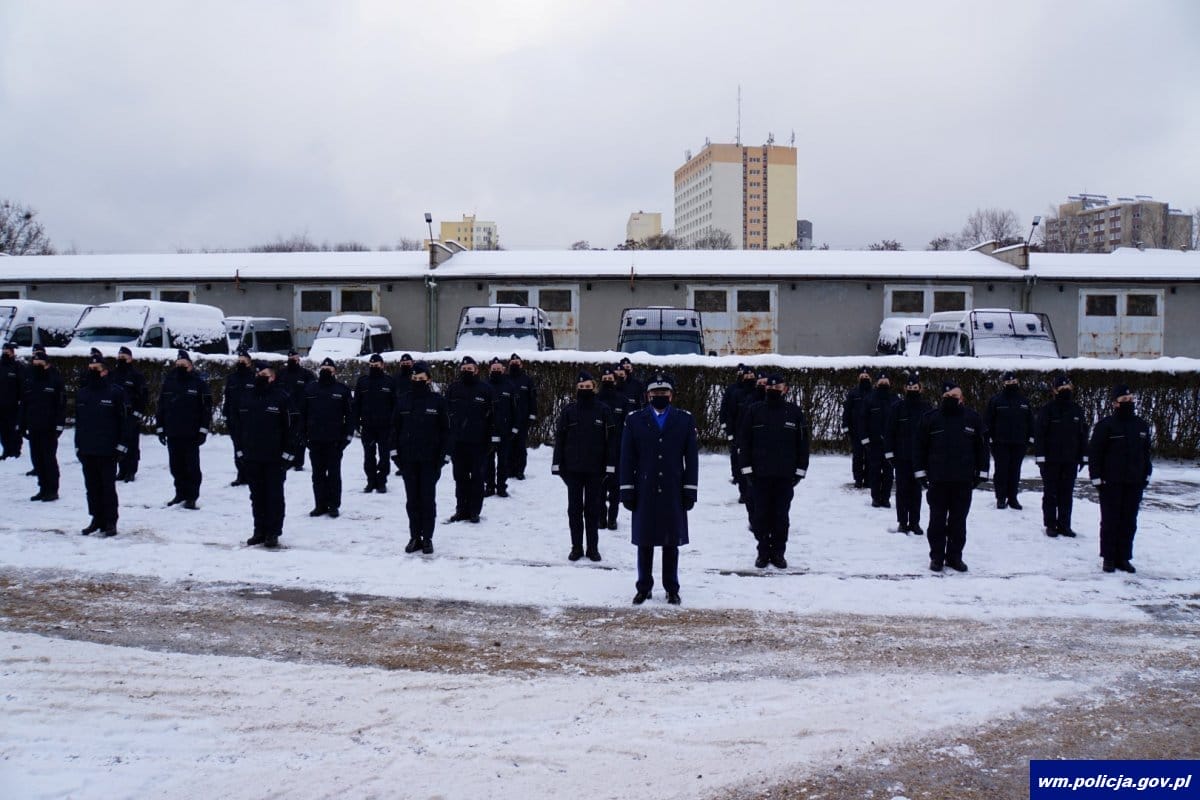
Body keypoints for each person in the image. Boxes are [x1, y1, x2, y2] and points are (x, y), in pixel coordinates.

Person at [619, 372, 698, 605]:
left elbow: (691, 459)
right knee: (644, 541)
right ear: (647, 395)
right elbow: (627, 457)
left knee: (671, 541)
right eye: (655, 393)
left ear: (671, 395)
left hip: (673, 489)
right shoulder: (634, 420)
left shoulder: (684, 420)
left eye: (664, 392)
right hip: (644, 489)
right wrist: (627, 489)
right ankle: (644, 587)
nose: (659, 396)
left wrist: (690, 490)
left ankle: (671, 587)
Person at [914, 380, 989, 573]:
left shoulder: (972, 418)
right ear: (942, 397)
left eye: (954, 396)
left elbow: (982, 448)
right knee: (936, 521)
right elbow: (919, 448)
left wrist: (982, 472)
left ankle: (955, 557)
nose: (951, 399)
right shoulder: (931, 419)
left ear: (961, 398)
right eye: (947, 396)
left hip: (963, 481)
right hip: (938, 480)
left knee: (958, 522)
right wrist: (920, 473)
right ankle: (937, 557)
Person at [737, 374, 809, 569]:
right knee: (760, 516)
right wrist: (746, 470)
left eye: (778, 387)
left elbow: (803, 443)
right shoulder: (754, 411)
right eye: (770, 387)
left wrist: (800, 471)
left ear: (785, 389)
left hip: (785, 476)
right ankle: (762, 552)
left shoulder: (794, 412)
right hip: (759, 475)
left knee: (780, 517)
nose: (773, 390)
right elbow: (744, 441)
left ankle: (778, 553)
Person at [552, 371, 617, 562]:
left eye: (588, 387)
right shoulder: (569, 411)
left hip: (595, 470)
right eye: (581, 387)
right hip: (572, 469)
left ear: (594, 388)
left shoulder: (603, 410)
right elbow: (560, 438)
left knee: (592, 510)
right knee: (574, 510)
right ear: (576, 389)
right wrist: (557, 463)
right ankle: (576, 547)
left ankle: (593, 548)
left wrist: (610, 464)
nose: (584, 390)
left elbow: (611, 440)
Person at [1088, 385, 1152, 574]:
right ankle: (1108, 558)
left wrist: (1146, 474)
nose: (1128, 402)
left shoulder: (1141, 425)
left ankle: (1123, 557)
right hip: (1111, 482)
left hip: (1134, 481)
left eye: (1131, 399)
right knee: (1110, 520)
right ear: (1115, 403)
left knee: (1129, 521)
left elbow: (1146, 453)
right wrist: (1096, 477)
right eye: (1124, 400)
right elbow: (1095, 453)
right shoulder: (1106, 425)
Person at [239, 362, 299, 549]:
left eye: (263, 374)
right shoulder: (248, 397)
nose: (259, 376)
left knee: (274, 496)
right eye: (257, 374)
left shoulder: (282, 397)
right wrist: (241, 450)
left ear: (272, 377)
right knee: (257, 496)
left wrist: (289, 453)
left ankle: (273, 533)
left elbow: (293, 428)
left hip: (275, 458)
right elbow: (240, 425)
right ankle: (259, 531)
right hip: (252, 456)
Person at [393, 361, 450, 554]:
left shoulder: (437, 401)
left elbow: (446, 431)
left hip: (430, 460)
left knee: (427, 500)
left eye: (421, 378)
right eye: (415, 378)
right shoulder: (403, 400)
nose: (417, 381)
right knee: (412, 501)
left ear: (429, 380)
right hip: (408, 460)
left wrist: (443, 457)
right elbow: (394, 430)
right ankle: (414, 537)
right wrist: (395, 456)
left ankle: (427, 538)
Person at [75, 355, 132, 536]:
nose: (93, 371)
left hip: (108, 449)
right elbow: (80, 422)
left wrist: (122, 445)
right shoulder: (83, 393)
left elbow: (125, 422)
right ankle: (96, 518)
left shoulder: (116, 392)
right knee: (92, 488)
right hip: (88, 449)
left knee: (108, 488)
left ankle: (110, 521)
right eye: (90, 368)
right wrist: (78, 446)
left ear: (105, 371)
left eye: (97, 369)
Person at [155, 350, 212, 509]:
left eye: (184, 364)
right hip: (173, 432)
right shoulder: (169, 382)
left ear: (190, 366)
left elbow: (206, 409)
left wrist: (203, 430)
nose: (180, 367)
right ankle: (180, 493)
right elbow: (161, 406)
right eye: (178, 364)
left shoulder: (199, 383)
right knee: (176, 466)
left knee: (192, 467)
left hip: (191, 433)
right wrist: (160, 428)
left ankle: (191, 497)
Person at [1034, 374, 1089, 538]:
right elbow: (1040, 435)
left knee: (1066, 494)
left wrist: (1083, 456)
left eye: (1068, 387)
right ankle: (1051, 524)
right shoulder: (1047, 409)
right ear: (1055, 390)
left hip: (1070, 459)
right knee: (1050, 493)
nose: (1066, 390)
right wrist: (1040, 458)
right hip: (1051, 460)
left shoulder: (1077, 410)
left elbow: (1083, 435)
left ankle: (1065, 525)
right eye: (1062, 388)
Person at [299, 358, 355, 519]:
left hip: (335, 441)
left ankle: (333, 505)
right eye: (323, 368)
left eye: (329, 369)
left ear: (334, 371)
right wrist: (303, 436)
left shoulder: (342, 390)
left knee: (334, 474)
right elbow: (302, 414)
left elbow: (350, 416)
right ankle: (320, 504)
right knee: (317, 475)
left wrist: (347, 437)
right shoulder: (309, 389)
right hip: (314, 440)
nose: (326, 371)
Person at [445, 355, 494, 523]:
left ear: (476, 370)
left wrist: (490, 440)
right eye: (464, 369)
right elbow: (446, 415)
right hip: (458, 443)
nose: (466, 371)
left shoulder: (485, 390)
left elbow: (492, 417)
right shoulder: (453, 388)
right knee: (460, 478)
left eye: (469, 369)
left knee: (477, 479)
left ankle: (474, 511)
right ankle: (461, 510)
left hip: (478, 443)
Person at [884, 371, 932, 535]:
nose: (912, 390)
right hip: (902, 457)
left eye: (915, 388)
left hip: (919, 459)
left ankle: (915, 522)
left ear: (920, 388)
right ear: (905, 388)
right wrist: (890, 454)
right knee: (902, 491)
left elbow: (930, 433)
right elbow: (889, 432)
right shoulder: (897, 408)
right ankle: (903, 522)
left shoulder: (926, 408)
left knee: (917, 491)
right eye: (909, 388)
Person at [20, 346, 65, 502]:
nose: (37, 365)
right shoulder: (29, 381)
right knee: (37, 459)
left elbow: (61, 405)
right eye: (35, 363)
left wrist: (59, 425)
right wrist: (22, 424)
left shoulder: (55, 380)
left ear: (47, 364)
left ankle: (52, 489)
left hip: (49, 427)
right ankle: (42, 488)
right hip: (34, 426)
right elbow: (24, 404)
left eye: (40, 363)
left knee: (48, 459)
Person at [986, 370, 1034, 510]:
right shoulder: (996, 400)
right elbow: (988, 420)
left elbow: (1030, 421)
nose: (1011, 384)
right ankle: (1001, 498)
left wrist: (1030, 438)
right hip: (1000, 443)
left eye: (1014, 382)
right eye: (1008, 382)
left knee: (1015, 471)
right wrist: (989, 438)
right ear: (1004, 383)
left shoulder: (1024, 401)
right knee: (1001, 471)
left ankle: (1013, 498)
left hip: (1019, 442)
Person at [597, 365, 637, 530]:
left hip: (617, 451)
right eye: (605, 379)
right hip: (598, 451)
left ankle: (612, 518)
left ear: (615, 381)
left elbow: (629, 426)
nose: (607, 381)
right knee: (599, 487)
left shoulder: (623, 400)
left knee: (615, 488)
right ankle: (601, 517)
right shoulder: (596, 400)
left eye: (610, 379)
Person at [353, 353, 396, 493]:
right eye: (371, 365)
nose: (373, 367)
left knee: (384, 455)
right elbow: (356, 403)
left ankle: (382, 481)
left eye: (376, 365)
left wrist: (394, 423)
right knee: (368, 455)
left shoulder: (389, 382)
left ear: (382, 365)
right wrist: (356, 422)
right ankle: (371, 481)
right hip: (368, 426)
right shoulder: (363, 382)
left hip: (385, 426)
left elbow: (395, 404)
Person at [859, 371, 895, 508]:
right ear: (877, 384)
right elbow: (862, 420)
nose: (884, 384)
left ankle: (885, 498)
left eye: (886, 382)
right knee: (874, 471)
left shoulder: (895, 399)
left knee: (889, 473)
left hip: (890, 444)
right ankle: (875, 498)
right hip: (874, 443)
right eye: (881, 382)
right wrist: (865, 439)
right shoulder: (869, 399)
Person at [112, 346, 147, 482]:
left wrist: (138, 413)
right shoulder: (113, 374)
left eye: (124, 357)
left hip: (131, 415)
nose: (121, 359)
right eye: (119, 357)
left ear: (130, 358)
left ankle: (131, 470)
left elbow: (143, 396)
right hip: (116, 415)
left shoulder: (136, 375)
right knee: (119, 442)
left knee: (131, 443)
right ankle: (122, 470)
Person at [223, 347, 256, 487]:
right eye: (239, 360)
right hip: (234, 418)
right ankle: (241, 475)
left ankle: (252, 475)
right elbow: (227, 397)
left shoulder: (254, 377)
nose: (241, 363)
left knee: (251, 447)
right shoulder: (232, 378)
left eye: (244, 361)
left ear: (249, 363)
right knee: (237, 447)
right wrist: (226, 414)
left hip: (250, 419)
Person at [278, 350, 316, 471]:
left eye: (294, 358)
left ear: (299, 359)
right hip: (284, 412)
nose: (292, 360)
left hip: (300, 411)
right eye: (290, 358)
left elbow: (312, 392)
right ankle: (286, 461)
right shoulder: (281, 374)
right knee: (285, 437)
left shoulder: (306, 374)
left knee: (300, 438)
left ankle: (298, 462)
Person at [485, 357, 517, 498]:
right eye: (494, 369)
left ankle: (501, 487)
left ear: (503, 370)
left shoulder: (509, 386)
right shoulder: (484, 386)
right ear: (490, 370)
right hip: (488, 431)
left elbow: (515, 409)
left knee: (503, 461)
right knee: (488, 461)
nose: (496, 370)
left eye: (498, 369)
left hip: (505, 430)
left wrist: (515, 427)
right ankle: (489, 486)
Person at [719, 365, 755, 488]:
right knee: (736, 455)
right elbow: (727, 410)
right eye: (746, 375)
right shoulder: (733, 390)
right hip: (737, 431)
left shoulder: (755, 392)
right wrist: (727, 429)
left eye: (751, 375)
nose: (748, 377)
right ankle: (737, 477)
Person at [506, 354, 538, 480]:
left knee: (520, 446)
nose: (515, 364)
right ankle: (509, 470)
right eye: (512, 362)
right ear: (509, 364)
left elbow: (532, 399)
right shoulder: (505, 379)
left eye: (517, 362)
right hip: (508, 420)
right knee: (508, 446)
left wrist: (532, 415)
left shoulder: (527, 380)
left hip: (523, 419)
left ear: (521, 364)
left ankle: (520, 470)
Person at [842, 368, 872, 488]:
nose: (864, 378)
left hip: (870, 430)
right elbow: (847, 411)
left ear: (870, 378)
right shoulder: (853, 393)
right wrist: (845, 425)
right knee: (858, 456)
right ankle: (858, 479)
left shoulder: (874, 393)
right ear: (859, 378)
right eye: (862, 376)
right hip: (855, 430)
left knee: (870, 456)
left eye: (866, 376)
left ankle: (868, 479)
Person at [391, 353, 415, 476]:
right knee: (401, 441)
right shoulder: (396, 378)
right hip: (399, 413)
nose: (405, 365)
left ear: (412, 363)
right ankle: (402, 465)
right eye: (403, 363)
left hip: (414, 413)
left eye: (408, 363)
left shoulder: (416, 376)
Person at [1, 341, 26, 460]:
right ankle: (6, 450)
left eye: (7, 351)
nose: (5, 353)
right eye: (3, 351)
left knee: (14, 429)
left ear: (12, 353)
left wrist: (21, 401)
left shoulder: (18, 367)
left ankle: (16, 450)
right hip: (1, 404)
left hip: (14, 405)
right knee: (3, 429)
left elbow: (22, 385)